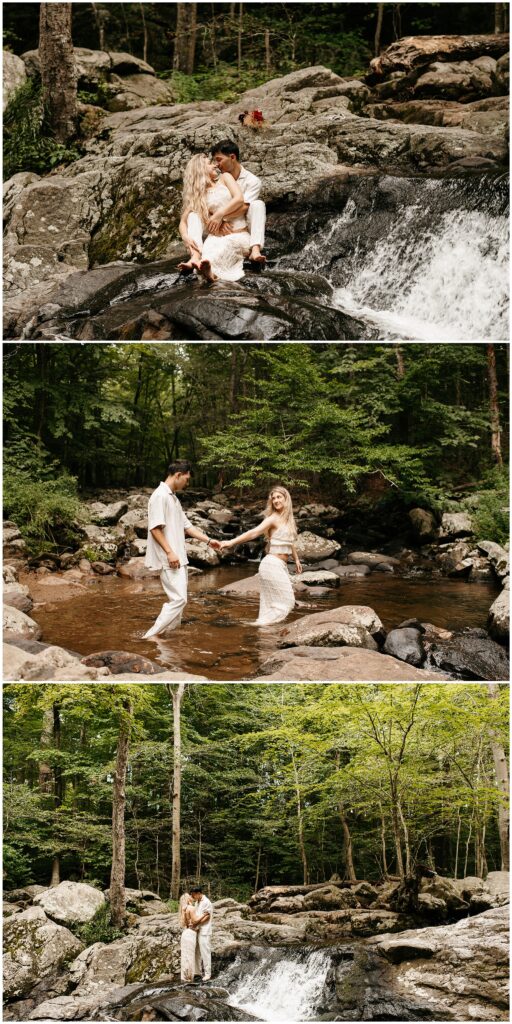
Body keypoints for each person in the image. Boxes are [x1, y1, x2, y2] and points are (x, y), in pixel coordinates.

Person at [142, 460, 221, 640]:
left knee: (178, 601)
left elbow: (188, 528)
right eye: (186, 479)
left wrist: (209, 541)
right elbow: (155, 528)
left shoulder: (173, 497)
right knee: (179, 599)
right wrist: (169, 552)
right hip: (170, 557)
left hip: (179, 557)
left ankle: (170, 637)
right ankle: (150, 636)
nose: (187, 483)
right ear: (178, 475)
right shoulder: (160, 496)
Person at [219, 486, 302, 625]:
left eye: (278, 497)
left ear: (286, 498)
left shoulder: (289, 520)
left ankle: (264, 632)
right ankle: (255, 626)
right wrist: (231, 542)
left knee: (273, 604)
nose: (275, 500)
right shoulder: (273, 518)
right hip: (271, 564)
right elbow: (253, 532)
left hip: (281, 565)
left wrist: (297, 559)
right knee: (288, 601)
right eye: (273, 498)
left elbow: (290, 542)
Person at [178, 154, 251, 282]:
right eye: (209, 163)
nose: (215, 165)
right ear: (200, 169)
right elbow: (183, 222)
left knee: (225, 246)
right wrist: (185, 237)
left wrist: (219, 215)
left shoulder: (225, 177)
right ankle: (196, 258)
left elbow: (239, 199)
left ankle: (210, 271)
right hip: (216, 237)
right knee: (193, 216)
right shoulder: (199, 195)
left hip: (238, 234)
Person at [211, 140, 266, 266]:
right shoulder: (217, 179)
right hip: (220, 225)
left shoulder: (252, 180)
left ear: (232, 157)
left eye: (219, 160)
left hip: (242, 222)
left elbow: (244, 208)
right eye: (214, 161)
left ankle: (255, 250)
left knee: (258, 204)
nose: (217, 165)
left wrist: (222, 218)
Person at [189, 885, 213, 982]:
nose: (193, 897)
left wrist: (196, 923)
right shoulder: (197, 902)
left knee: (205, 952)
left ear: (198, 893)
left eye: (193, 895)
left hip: (205, 930)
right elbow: (197, 915)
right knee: (197, 952)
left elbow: (207, 917)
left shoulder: (207, 902)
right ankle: (197, 972)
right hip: (197, 930)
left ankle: (208, 974)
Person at [179, 892, 201, 982]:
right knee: (190, 957)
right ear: (187, 899)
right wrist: (205, 915)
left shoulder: (183, 909)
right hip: (191, 934)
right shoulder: (191, 908)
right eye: (190, 896)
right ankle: (189, 978)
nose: (191, 897)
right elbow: (195, 920)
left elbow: (186, 923)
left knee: (185, 957)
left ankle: (185, 977)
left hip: (185, 933)